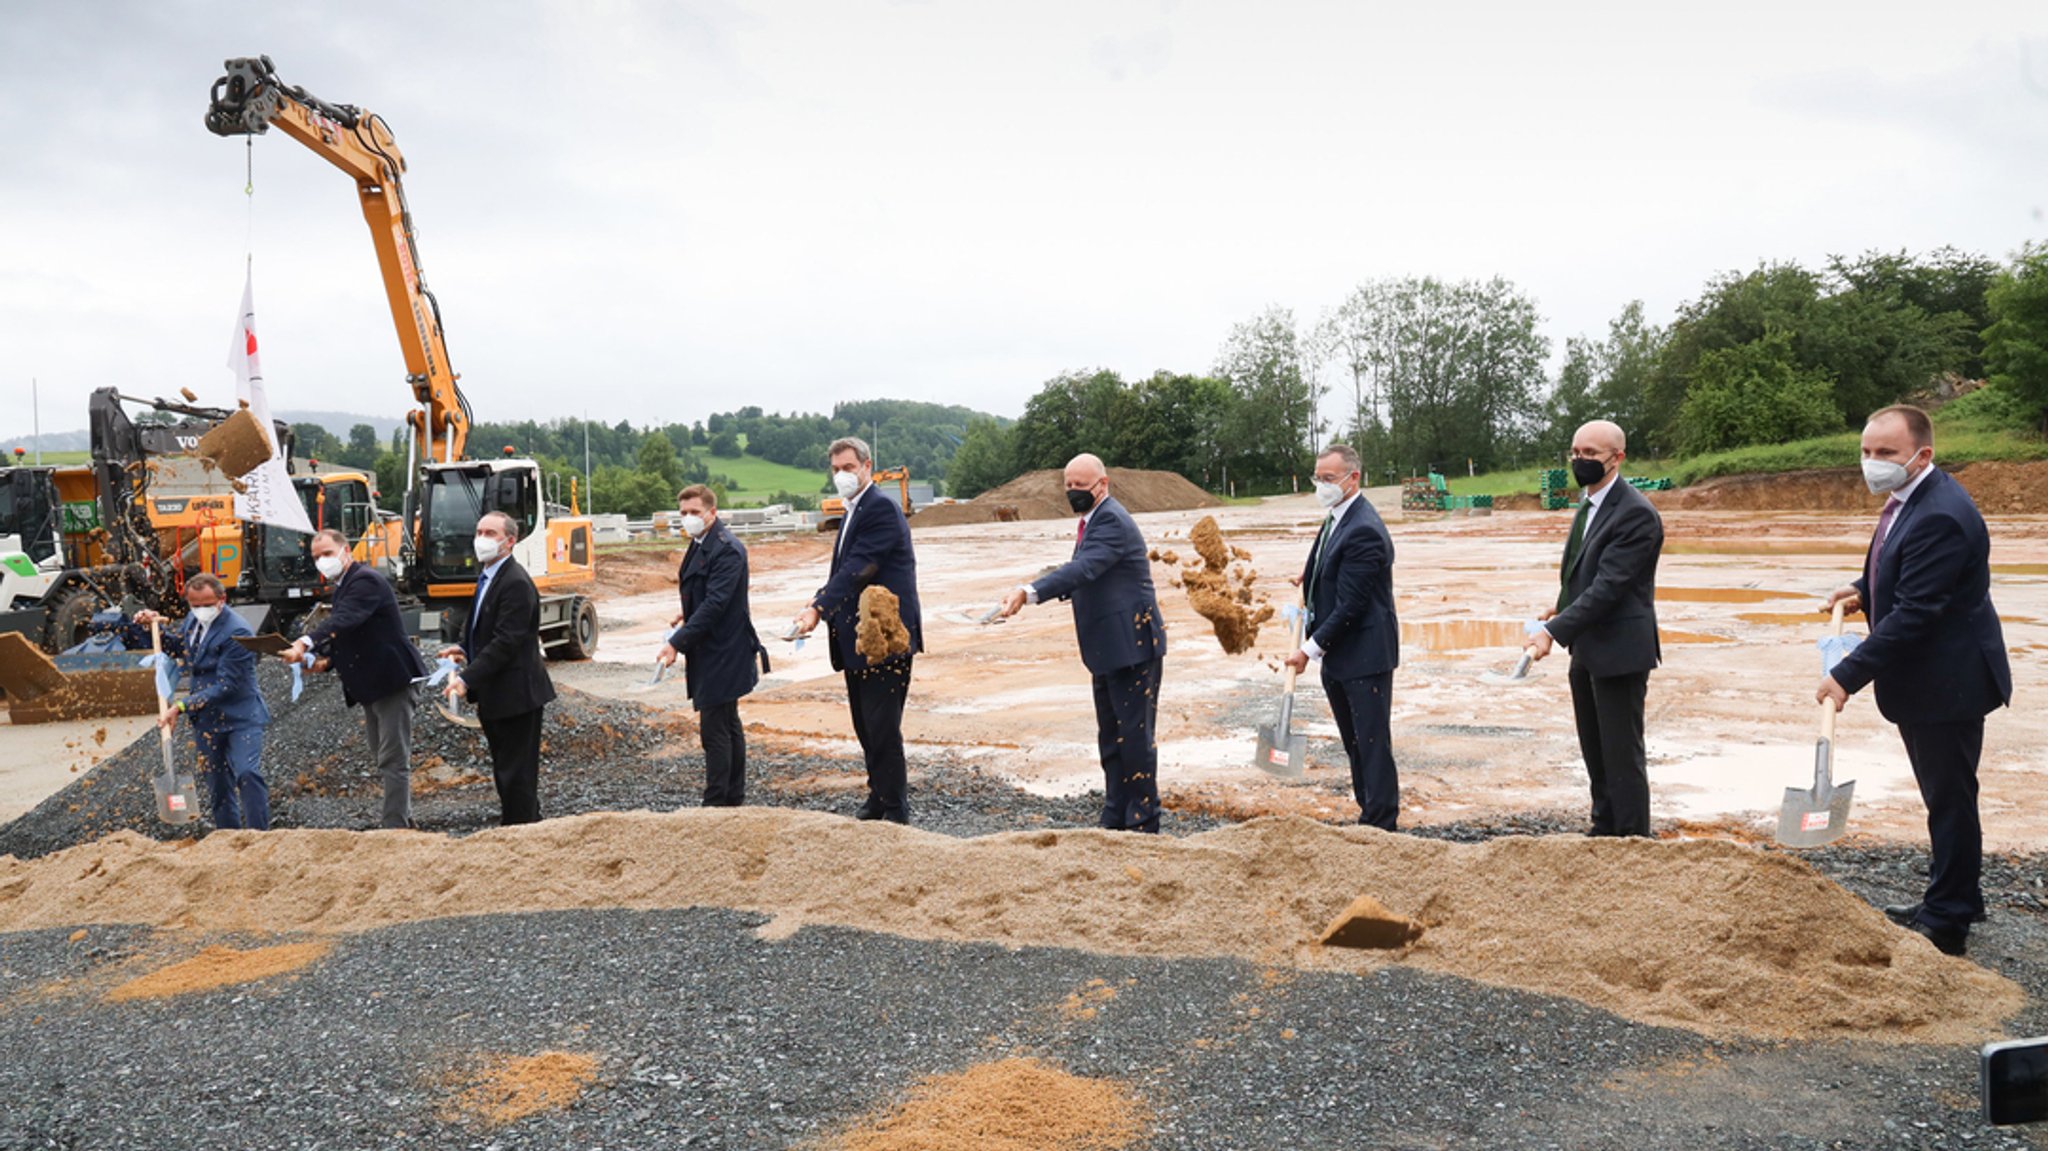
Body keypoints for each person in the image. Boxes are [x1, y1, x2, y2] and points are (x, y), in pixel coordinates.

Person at [1819, 404, 2011, 957]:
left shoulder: (1940, 514)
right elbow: (1899, 565)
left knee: (1950, 799)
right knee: (1945, 795)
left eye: (1886, 454)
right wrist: (1862, 589)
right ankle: (1955, 896)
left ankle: (1948, 920)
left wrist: (1845, 676)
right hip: (1932, 675)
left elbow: (1916, 611)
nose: (1873, 464)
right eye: (1866, 452)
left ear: (1922, 455)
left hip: (1947, 679)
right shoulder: (1914, 498)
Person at [1000, 453, 1166, 833]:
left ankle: (1143, 821)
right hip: (1108, 648)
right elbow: (1084, 571)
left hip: (1132, 647)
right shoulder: (1091, 520)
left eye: (1081, 486)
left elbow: (1086, 568)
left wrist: (1030, 592)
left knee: (1134, 739)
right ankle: (1115, 814)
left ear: (1102, 485)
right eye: (1068, 486)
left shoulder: (1110, 519)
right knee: (1111, 737)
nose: (1073, 492)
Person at [1529, 420, 1664, 837]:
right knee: (1595, 751)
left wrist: (1553, 632)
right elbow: (1584, 577)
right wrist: (1561, 608)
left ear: (1617, 458)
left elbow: (1609, 588)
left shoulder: (1636, 514)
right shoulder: (1588, 505)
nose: (1579, 461)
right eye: (1575, 453)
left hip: (1620, 652)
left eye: (1590, 454)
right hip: (1588, 648)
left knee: (1622, 756)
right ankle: (1603, 830)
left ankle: (1631, 841)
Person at [791, 436, 924, 823]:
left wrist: (819, 607)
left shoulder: (879, 507)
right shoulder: (854, 509)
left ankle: (896, 809)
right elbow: (841, 572)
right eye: (835, 470)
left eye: (848, 468)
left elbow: (860, 567)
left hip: (883, 637)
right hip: (858, 637)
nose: (842, 476)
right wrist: (814, 602)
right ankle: (878, 797)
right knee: (866, 724)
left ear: (867, 466)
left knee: (882, 727)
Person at [1283, 444, 1400, 830]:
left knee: (1371, 744)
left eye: (1329, 479)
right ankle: (1368, 812)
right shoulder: (1337, 515)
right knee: (1354, 743)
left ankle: (1382, 823)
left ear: (1353, 479)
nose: (1321, 485)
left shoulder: (1364, 529)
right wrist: (1310, 579)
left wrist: (1308, 650)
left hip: (1364, 654)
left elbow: (1352, 605)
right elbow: (1323, 556)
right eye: (1318, 478)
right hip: (1342, 654)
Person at [285, 528, 427, 829]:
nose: (322, 561)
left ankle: (395, 827)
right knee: (382, 754)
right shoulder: (346, 585)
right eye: (316, 557)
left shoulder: (364, 581)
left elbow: (345, 620)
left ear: (346, 550)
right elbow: (355, 636)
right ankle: (403, 820)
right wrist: (325, 663)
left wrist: (305, 643)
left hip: (393, 678)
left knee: (392, 757)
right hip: (373, 683)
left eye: (327, 554)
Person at [132, 573, 271, 830]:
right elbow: (180, 648)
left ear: (221, 599)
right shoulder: (192, 621)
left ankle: (259, 837)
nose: (201, 610)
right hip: (207, 720)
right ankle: (229, 837)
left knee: (247, 774)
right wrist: (151, 628)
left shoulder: (237, 631)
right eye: (195, 605)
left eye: (207, 604)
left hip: (240, 717)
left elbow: (228, 685)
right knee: (217, 784)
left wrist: (182, 706)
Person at [658, 485, 767, 807]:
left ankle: (717, 802)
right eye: (683, 513)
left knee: (716, 729)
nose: (689, 518)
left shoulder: (726, 548)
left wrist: (676, 643)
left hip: (724, 649)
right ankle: (732, 798)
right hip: (711, 646)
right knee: (727, 723)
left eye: (694, 512)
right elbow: (706, 593)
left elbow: (717, 603)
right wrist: (686, 613)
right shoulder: (700, 542)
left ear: (712, 512)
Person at [445, 511, 557, 826]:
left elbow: (507, 641)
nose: (481, 539)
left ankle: (520, 831)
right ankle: (524, 824)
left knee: (516, 774)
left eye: (490, 533)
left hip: (517, 694)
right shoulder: (488, 577)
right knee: (506, 770)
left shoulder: (516, 582)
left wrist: (467, 678)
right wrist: (462, 647)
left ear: (510, 541)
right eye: (479, 531)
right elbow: (481, 625)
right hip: (497, 694)